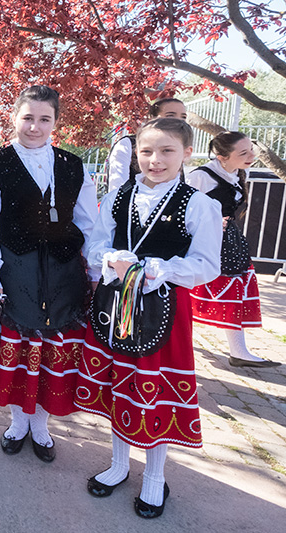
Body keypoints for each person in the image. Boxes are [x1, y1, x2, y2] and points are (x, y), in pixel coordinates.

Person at [75, 118, 222, 518]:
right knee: (120, 384)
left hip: (164, 313)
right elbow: (98, 243)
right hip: (115, 305)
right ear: (135, 154)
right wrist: (108, 258)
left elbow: (207, 265)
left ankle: (155, 476)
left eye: (167, 151)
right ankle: (119, 465)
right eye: (146, 151)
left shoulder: (199, 204)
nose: (155, 160)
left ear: (187, 153)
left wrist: (159, 270)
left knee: (152, 391)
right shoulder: (119, 195)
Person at [0, 85, 98, 463]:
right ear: (15, 118)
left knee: (54, 353)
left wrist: (96, 272)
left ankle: (42, 426)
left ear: (55, 121)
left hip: (64, 272)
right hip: (16, 271)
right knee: (20, 351)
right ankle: (18, 422)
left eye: (44, 119)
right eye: (27, 118)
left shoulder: (74, 166)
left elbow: (89, 222)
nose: (34, 127)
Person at [188, 132, 279, 367]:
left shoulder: (240, 172)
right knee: (189, 293)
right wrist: (210, 223)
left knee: (234, 292)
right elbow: (184, 209)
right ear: (222, 157)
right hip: (203, 241)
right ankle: (180, 344)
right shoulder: (201, 176)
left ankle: (239, 351)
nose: (252, 156)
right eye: (244, 152)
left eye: (251, 149)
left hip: (229, 241)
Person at [106, 98, 188, 193]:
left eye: (183, 117)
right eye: (170, 115)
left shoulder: (179, 148)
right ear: (152, 118)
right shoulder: (127, 145)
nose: (179, 121)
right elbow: (116, 189)